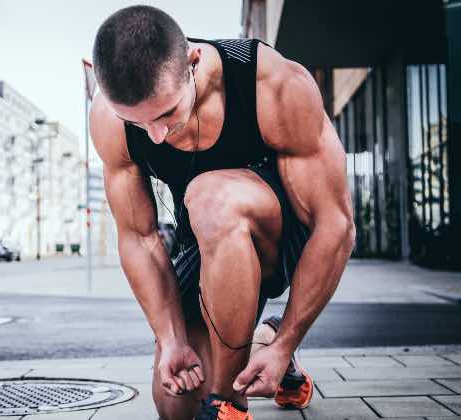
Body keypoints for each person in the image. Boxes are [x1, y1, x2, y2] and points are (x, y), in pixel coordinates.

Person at [89, 6, 355, 420]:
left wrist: (289, 339)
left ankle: (228, 405)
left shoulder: (272, 82)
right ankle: (260, 344)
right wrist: (171, 338)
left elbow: (335, 224)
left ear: (193, 63)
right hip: (205, 241)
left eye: (165, 114)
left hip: (281, 236)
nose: (156, 135)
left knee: (211, 196)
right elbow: (138, 238)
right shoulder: (108, 119)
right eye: (138, 124)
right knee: (175, 401)